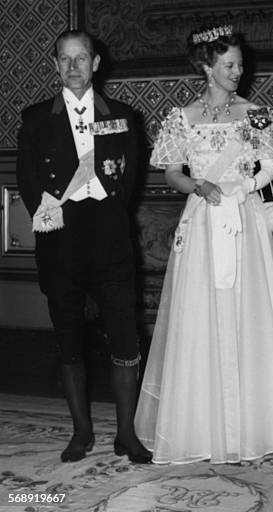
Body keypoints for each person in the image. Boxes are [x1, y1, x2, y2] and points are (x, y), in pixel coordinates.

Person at [134, 25, 273, 464]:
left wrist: (245, 184)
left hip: (244, 219)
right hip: (203, 219)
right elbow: (171, 171)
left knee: (248, 313)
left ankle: (253, 424)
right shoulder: (182, 117)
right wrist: (197, 184)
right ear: (207, 67)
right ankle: (202, 425)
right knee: (201, 315)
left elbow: (271, 167)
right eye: (229, 65)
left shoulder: (256, 113)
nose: (238, 72)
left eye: (240, 64)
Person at [16, 30, 151, 464]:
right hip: (61, 239)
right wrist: (55, 214)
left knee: (125, 337)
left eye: (81, 59)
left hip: (110, 237)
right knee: (68, 337)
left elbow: (128, 183)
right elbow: (29, 181)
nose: (73, 66)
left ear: (96, 64)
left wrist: (105, 213)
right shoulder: (36, 118)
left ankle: (127, 434)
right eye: (64, 59)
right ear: (56, 65)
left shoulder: (123, 116)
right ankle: (81, 433)